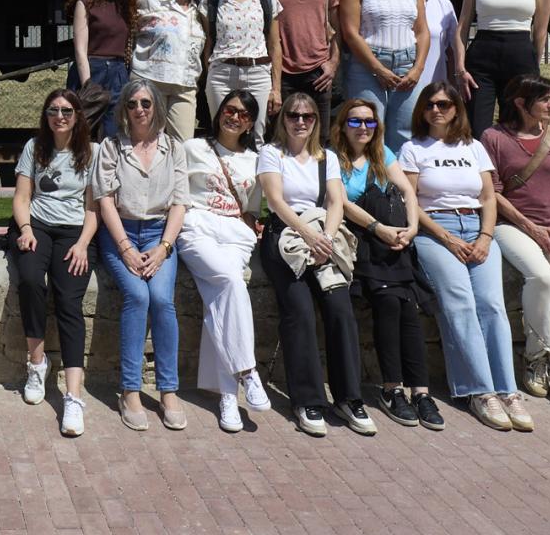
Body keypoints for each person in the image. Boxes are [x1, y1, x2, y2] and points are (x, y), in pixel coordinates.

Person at [399, 84, 530, 432]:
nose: (436, 110)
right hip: (435, 231)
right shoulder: (413, 149)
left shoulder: (473, 147)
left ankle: (507, 389)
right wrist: (445, 237)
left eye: (444, 104)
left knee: (491, 305)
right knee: (459, 303)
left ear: (456, 109)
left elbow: (489, 198)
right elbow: (411, 200)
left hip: (476, 225)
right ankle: (478, 391)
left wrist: (486, 237)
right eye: (430, 105)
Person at [256, 91, 375, 437]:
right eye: (293, 115)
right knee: (300, 312)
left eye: (307, 116)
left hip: (323, 237)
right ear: (284, 118)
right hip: (286, 238)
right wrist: (308, 235)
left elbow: (336, 201)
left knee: (340, 308)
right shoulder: (271, 153)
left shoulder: (328, 158)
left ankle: (349, 397)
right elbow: (276, 201)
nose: (300, 122)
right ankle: (307, 399)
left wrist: (327, 238)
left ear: (315, 120)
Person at [331, 97, 444, 431]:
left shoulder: (384, 154)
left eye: (369, 121)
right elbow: (343, 204)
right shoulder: (333, 160)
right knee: (389, 304)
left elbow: (408, 191)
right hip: (367, 244)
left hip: (396, 245)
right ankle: (392, 388)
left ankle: (420, 392)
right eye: (355, 121)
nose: (363, 127)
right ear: (343, 125)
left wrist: (410, 228)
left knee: (409, 308)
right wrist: (378, 229)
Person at [483, 74, 550, 417]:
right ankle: (537, 357)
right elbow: (493, 193)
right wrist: (533, 228)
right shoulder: (494, 138)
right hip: (513, 226)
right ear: (520, 103)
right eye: (545, 99)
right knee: (542, 278)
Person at [93, 78, 189, 432]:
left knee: (162, 299)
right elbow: (105, 201)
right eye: (133, 104)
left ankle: (168, 390)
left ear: (157, 108)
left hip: (158, 233)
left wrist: (164, 248)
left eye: (146, 103)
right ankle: (130, 390)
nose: (139, 110)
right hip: (121, 232)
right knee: (136, 295)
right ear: (124, 109)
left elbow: (179, 203)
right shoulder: (111, 148)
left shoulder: (173, 149)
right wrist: (126, 249)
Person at [176, 92, 272, 433]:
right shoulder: (193, 148)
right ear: (218, 113)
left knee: (221, 299)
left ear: (251, 122)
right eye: (230, 110)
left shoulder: (256, 159)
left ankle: (228, 397)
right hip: (197, 226)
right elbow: (177, 192)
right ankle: (247, 371)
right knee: (231, 283)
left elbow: (252, 209)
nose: (235, 117)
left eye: (244, 114)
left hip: (235, 232)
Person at [9, 90, 97, 437]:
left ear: (77, 115)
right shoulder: (35, 147)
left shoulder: (92, 152)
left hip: (75, 230)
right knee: (30, 279)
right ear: (45, 116)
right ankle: (37, 362)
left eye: (66, 110)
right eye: (52, 110)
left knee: (69, 301)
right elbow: (22, 196)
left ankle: (73, 396)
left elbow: (93, 208)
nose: (59, 116)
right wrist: (26, 228)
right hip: (39, 225)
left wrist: (82, 245)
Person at [339, 0, 429, 153]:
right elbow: (350, 33)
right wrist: (378, 68)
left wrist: (418, 69)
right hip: (368, 67)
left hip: (407, 65)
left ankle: (398, 187)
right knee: (366, 130)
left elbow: (421, 31)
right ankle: (369, 185)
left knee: (405, 132)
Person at [457, 0, 550, 136]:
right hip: (481, 57)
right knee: (477, 129)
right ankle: (482, 170)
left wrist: (534, 67)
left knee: (518, 126)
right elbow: (461, 28)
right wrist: (460, 69)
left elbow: (540, 30)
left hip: (520, 55)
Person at [205, 0, 283, 141]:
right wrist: (207, 77)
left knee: (256, 133)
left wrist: (276, 88)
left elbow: (275, 46)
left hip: (257, 73)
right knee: (222, 132)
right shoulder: (210, 2)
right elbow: (208, 43)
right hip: (222, 73)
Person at [131, 0, 209, 139]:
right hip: (149, 82)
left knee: (183, 145)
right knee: (145, 141)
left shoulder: (199, 9)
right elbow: (128, 30)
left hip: (184, 85)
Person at [66, 0, 138, 139]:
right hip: (92, 70)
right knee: (81, 136)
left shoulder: (131, 2)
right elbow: (80, 49)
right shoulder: (86, 2)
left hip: (119, 73)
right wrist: (87, 85)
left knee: (113, 136)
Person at [395, 0, 463, 87]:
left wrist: (453, 86)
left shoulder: (444, 5)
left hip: (435, 85)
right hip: (401, 83)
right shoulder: (394, 5)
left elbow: (451, 51)